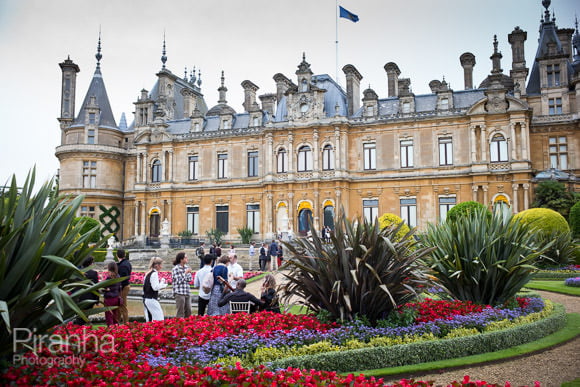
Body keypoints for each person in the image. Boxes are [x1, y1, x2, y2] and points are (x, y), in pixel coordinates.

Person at [74, 255, 99, 325]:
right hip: (89, 298)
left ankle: (78, 328)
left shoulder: (77, 272)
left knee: (80, 316)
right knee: (84, 316)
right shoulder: (93, 273)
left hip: (77, 297)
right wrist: (97, 300)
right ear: (91, 263)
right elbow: (96, 287)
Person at [143, 257, 168, 321]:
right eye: (161, 265)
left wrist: (162, 283)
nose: (161, 267)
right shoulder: (154, 273)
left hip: (147, 298)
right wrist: (164, 284)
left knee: (151, 319)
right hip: (151, 299)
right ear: (157, 265)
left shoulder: (148, 273)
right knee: (159, 318)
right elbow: (155, 287)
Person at [171, 252, 193, 318]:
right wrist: (185, 273)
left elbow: (189, 279)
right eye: (185, 257)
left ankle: (187, 326)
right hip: (179, 292)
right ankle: (179, 326)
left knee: (189, 311)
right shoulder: (175, 269)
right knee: (180, 312)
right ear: (181, 259)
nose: (187, 259)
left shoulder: (187, 267)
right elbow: (179, 281)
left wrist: (185, 274)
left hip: (187, 291)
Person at [102, 262, 122, 326]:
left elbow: (104, 288)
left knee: (109, 315)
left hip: (109, 299)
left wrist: (105, 288)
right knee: (114, 314)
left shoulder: (109, 278)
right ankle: (116, 328)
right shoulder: (118, 276)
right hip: (116, 298)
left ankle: (110, 329)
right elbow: (119, 288)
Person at [116, 249, 132, 324]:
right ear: (124, 254)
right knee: (120, 305)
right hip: (125, 285)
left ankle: (126, 323)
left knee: (122, 305)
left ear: (117, 255)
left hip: (123, 287)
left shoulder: (123, 265)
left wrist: (119, 288)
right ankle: (118, 322)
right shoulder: (126, 263)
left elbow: (123, 279)